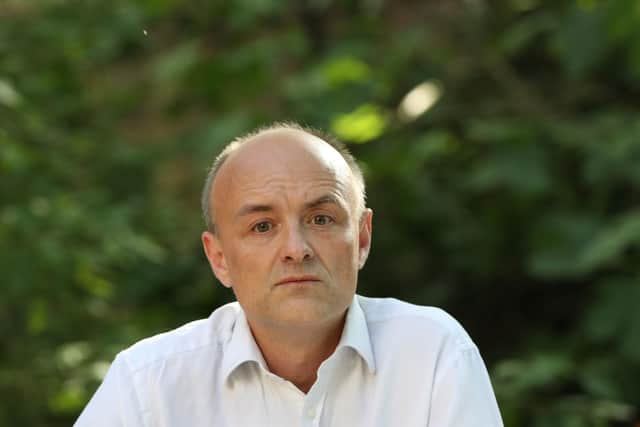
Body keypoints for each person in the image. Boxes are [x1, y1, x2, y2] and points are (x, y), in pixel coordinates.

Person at [75, 123, 504, 426]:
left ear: (362, 239)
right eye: (262, 227)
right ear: (219, 257)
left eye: (321, 219)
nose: (296, 250)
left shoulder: (431, 354)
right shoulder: (148, 385)